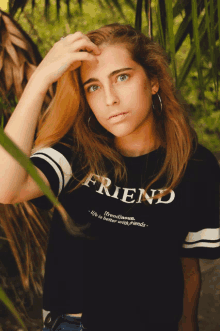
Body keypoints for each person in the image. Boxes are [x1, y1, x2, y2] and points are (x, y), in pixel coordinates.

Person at [0, 23, 219, 331]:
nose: (110, 99)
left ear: (153, 80)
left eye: (122, 77)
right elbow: (5, 188)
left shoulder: (196, 166)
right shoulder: (73, 153)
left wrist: (188, 323)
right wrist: (40, 79)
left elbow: (188, 264)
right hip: (73, 324)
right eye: (93, 86)